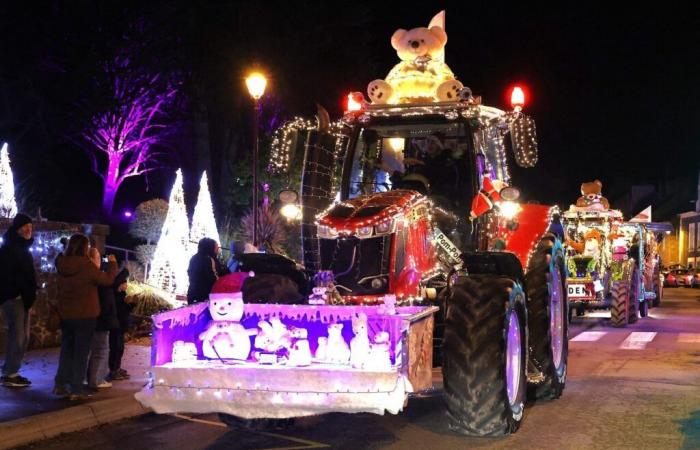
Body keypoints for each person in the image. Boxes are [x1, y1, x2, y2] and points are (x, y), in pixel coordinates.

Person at [54, 234, 117, 400]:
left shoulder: (61, 263)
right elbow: (107, 280)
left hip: (66, 314)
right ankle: (76, 389)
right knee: (81, 353)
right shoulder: (86, 266)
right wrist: (112, 264)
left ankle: (60, 384)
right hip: (85, 315)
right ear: (84, 247)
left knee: (67, 350)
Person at [0, 213, 37, 388]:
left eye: (30, 226)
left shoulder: (22, 247)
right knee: (18, 337)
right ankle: (10, 373)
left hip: (23, 298)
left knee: (22, 336)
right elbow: (9, 274)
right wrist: (15, 293)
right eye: (25, 227)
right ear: (18, 229)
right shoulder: (11, 248)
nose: (29, 230)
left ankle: (11, 370)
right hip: (15, 298)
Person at [86, 247, 120, 390]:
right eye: (98, 258)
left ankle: (86, 378)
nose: (101, 260)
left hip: (92, 318)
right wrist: (113, 265)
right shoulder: (96, 276)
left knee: (90, 350)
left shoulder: (88, 274)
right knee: (101, 350)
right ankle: (96, 379)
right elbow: (109, 282)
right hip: (101, 319)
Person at [108, 266, 131, 381]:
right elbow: (120, 311)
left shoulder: (122, 295)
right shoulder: (116, 297)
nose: (126, 285)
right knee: (115, 348)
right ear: (120, 285)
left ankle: (117, 367)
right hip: (116, 326)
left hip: (121, 326)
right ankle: (113, 370)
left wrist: (131, 304)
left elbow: (125, 310)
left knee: (120, 348)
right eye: (124, 283)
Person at [187, 238, 227, 305]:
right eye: (216, 247)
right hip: (205, 297)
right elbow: (214, 279)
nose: (218, 250)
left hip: (193, 293)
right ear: (210, 248)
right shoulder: (209, 260)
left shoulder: (194, 258)